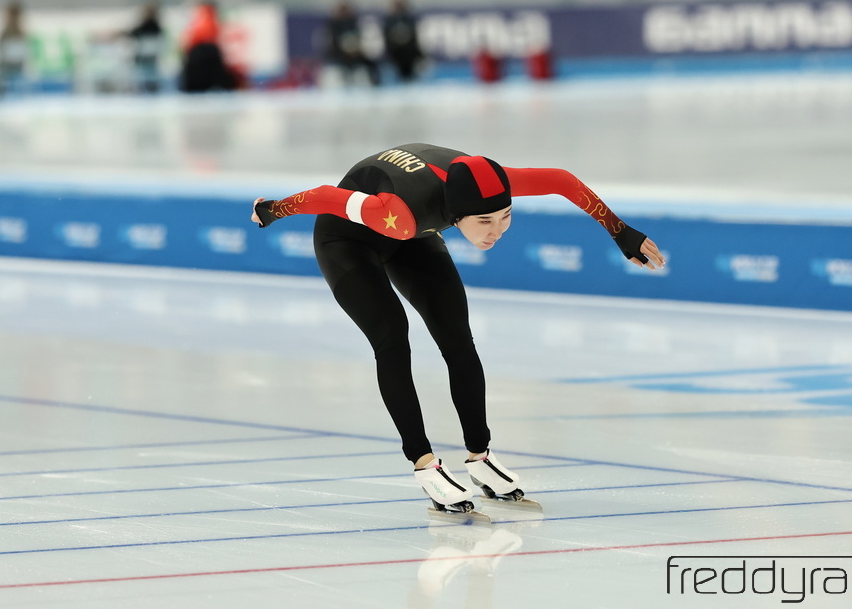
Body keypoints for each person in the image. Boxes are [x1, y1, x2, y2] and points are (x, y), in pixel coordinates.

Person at [250, 143, 665, 515]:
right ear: (459, 213)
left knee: (456, 337)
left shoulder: (492, 181)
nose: (496, 231)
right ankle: (423, 463)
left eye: (505, 217)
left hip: (415, 231)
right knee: (392, 337)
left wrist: (620, 232)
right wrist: (270, 210)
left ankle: (480, 457)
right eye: (484, 221)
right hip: (349, 240)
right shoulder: (400, 213)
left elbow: (561, 181)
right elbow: (323, 196)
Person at [179, 0, 236, 93]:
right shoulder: (208, 15)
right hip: (206, 48)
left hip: (200, 48)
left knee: (200, 75)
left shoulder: (200, 15)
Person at [322, 0, 380, 87]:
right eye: (342, 9)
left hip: (355, 55)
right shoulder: (333, 25)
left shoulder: (355, 22)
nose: (344, 12)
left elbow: (362, 39)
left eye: (346, 9)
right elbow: (331, 44)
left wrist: (356, 49)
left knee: (369, 64)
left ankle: (375, 85)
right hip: (339, 56)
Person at [0, 0, 29, 99]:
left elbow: (23, 52)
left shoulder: (20, 32)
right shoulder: (6, 32)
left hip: (15, 66)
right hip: (5, 66)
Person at [383, 0, 424, 82]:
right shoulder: (389, 20)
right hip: (395, 51)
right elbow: (387, 39)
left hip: (409, 51)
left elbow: (414, 37)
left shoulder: (409, 18)